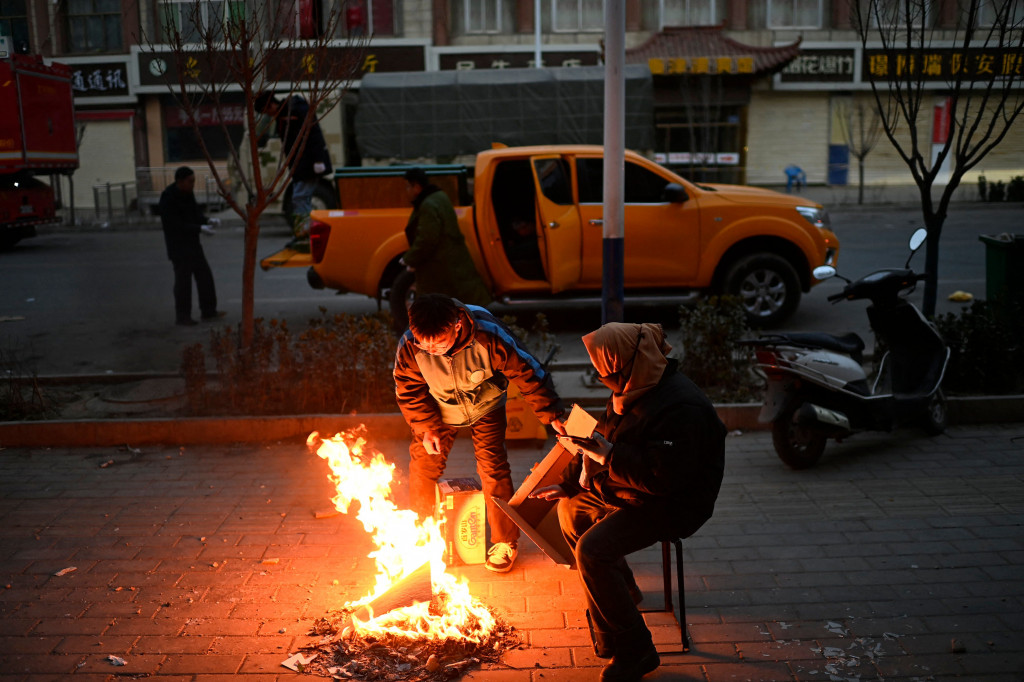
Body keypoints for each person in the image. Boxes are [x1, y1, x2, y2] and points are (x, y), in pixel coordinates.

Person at [530, 322, 726, 682]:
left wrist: (609, 457)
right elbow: (603, 436)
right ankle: (622, 592)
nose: (606, 382)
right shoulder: (634, 386)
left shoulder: (682, 406)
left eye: (610, 374)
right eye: (601, 375)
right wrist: (570, 482)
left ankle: (635, 651)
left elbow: (664, 479)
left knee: (592, 550)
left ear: (631, 362)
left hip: (675, 502)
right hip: (632, 487)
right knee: (571, 511)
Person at [393, 294, 567, 573]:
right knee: (424, 465)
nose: (431, 349)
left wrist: (553, 414)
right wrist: (425, 427)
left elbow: (527, 372)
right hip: (439, 411)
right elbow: (408, 390)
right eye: (424, 343)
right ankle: (421, 536)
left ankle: (505, 542)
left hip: (486, 405)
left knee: (492, 468)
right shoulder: (411, 344)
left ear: (458, 324)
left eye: (439, 342)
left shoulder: (488, 334)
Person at [400, 167, 492, 307]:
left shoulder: (428, 205)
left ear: (416, 186)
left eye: (407, 187)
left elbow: (427, 239)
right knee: (464, 306)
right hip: (452, 264)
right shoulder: (439, 197)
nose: (406, 191)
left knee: (436, 309)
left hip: (440, 267)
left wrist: (410, 259)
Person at [253, 91, 331, 238]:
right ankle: (307, 232)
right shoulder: (285, 115)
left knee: (299, 197)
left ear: (271, 105)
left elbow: (313, 133)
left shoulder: (295, 111)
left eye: (266, 111)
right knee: (303, 197)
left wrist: (318, 160)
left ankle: (304, 233)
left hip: (307, 163)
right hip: (301, 164)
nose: (268, 115)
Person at [158, 166, 224, 326]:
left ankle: (208, 310)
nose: (193, 184)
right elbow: (175, 225)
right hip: (179, 247)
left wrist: (207, 220)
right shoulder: (168, 198)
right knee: (183, 282)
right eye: (191, 181)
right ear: (180, 182)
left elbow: (195, 214)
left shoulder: (187, 194)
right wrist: (199, 228)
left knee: (205, 277)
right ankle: (183, 316)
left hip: (193, 244)